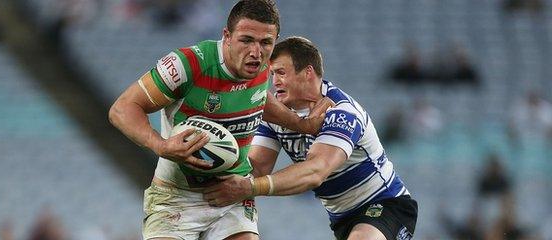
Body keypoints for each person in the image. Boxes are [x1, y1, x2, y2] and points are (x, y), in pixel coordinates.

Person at [108, 1, 331, 239]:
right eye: (246, 40)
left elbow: (258, 98)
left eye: (266, 42)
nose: (256, 52)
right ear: (227, 36)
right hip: (176, 196)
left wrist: (300, 123)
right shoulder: (188, 64)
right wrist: (161, 145)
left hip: (232, 194)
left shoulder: (263, 65)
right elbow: (122, 109)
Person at [203, 37, 418, 240]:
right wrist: (213, 169)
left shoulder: (342, 113)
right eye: (271, 75)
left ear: (307, 73)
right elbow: (257, 168)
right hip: (341, 218)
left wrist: (250, 188)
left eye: (281, 73)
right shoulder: (277, 115)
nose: (275, 82)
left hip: (385, 203)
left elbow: (316, 171)